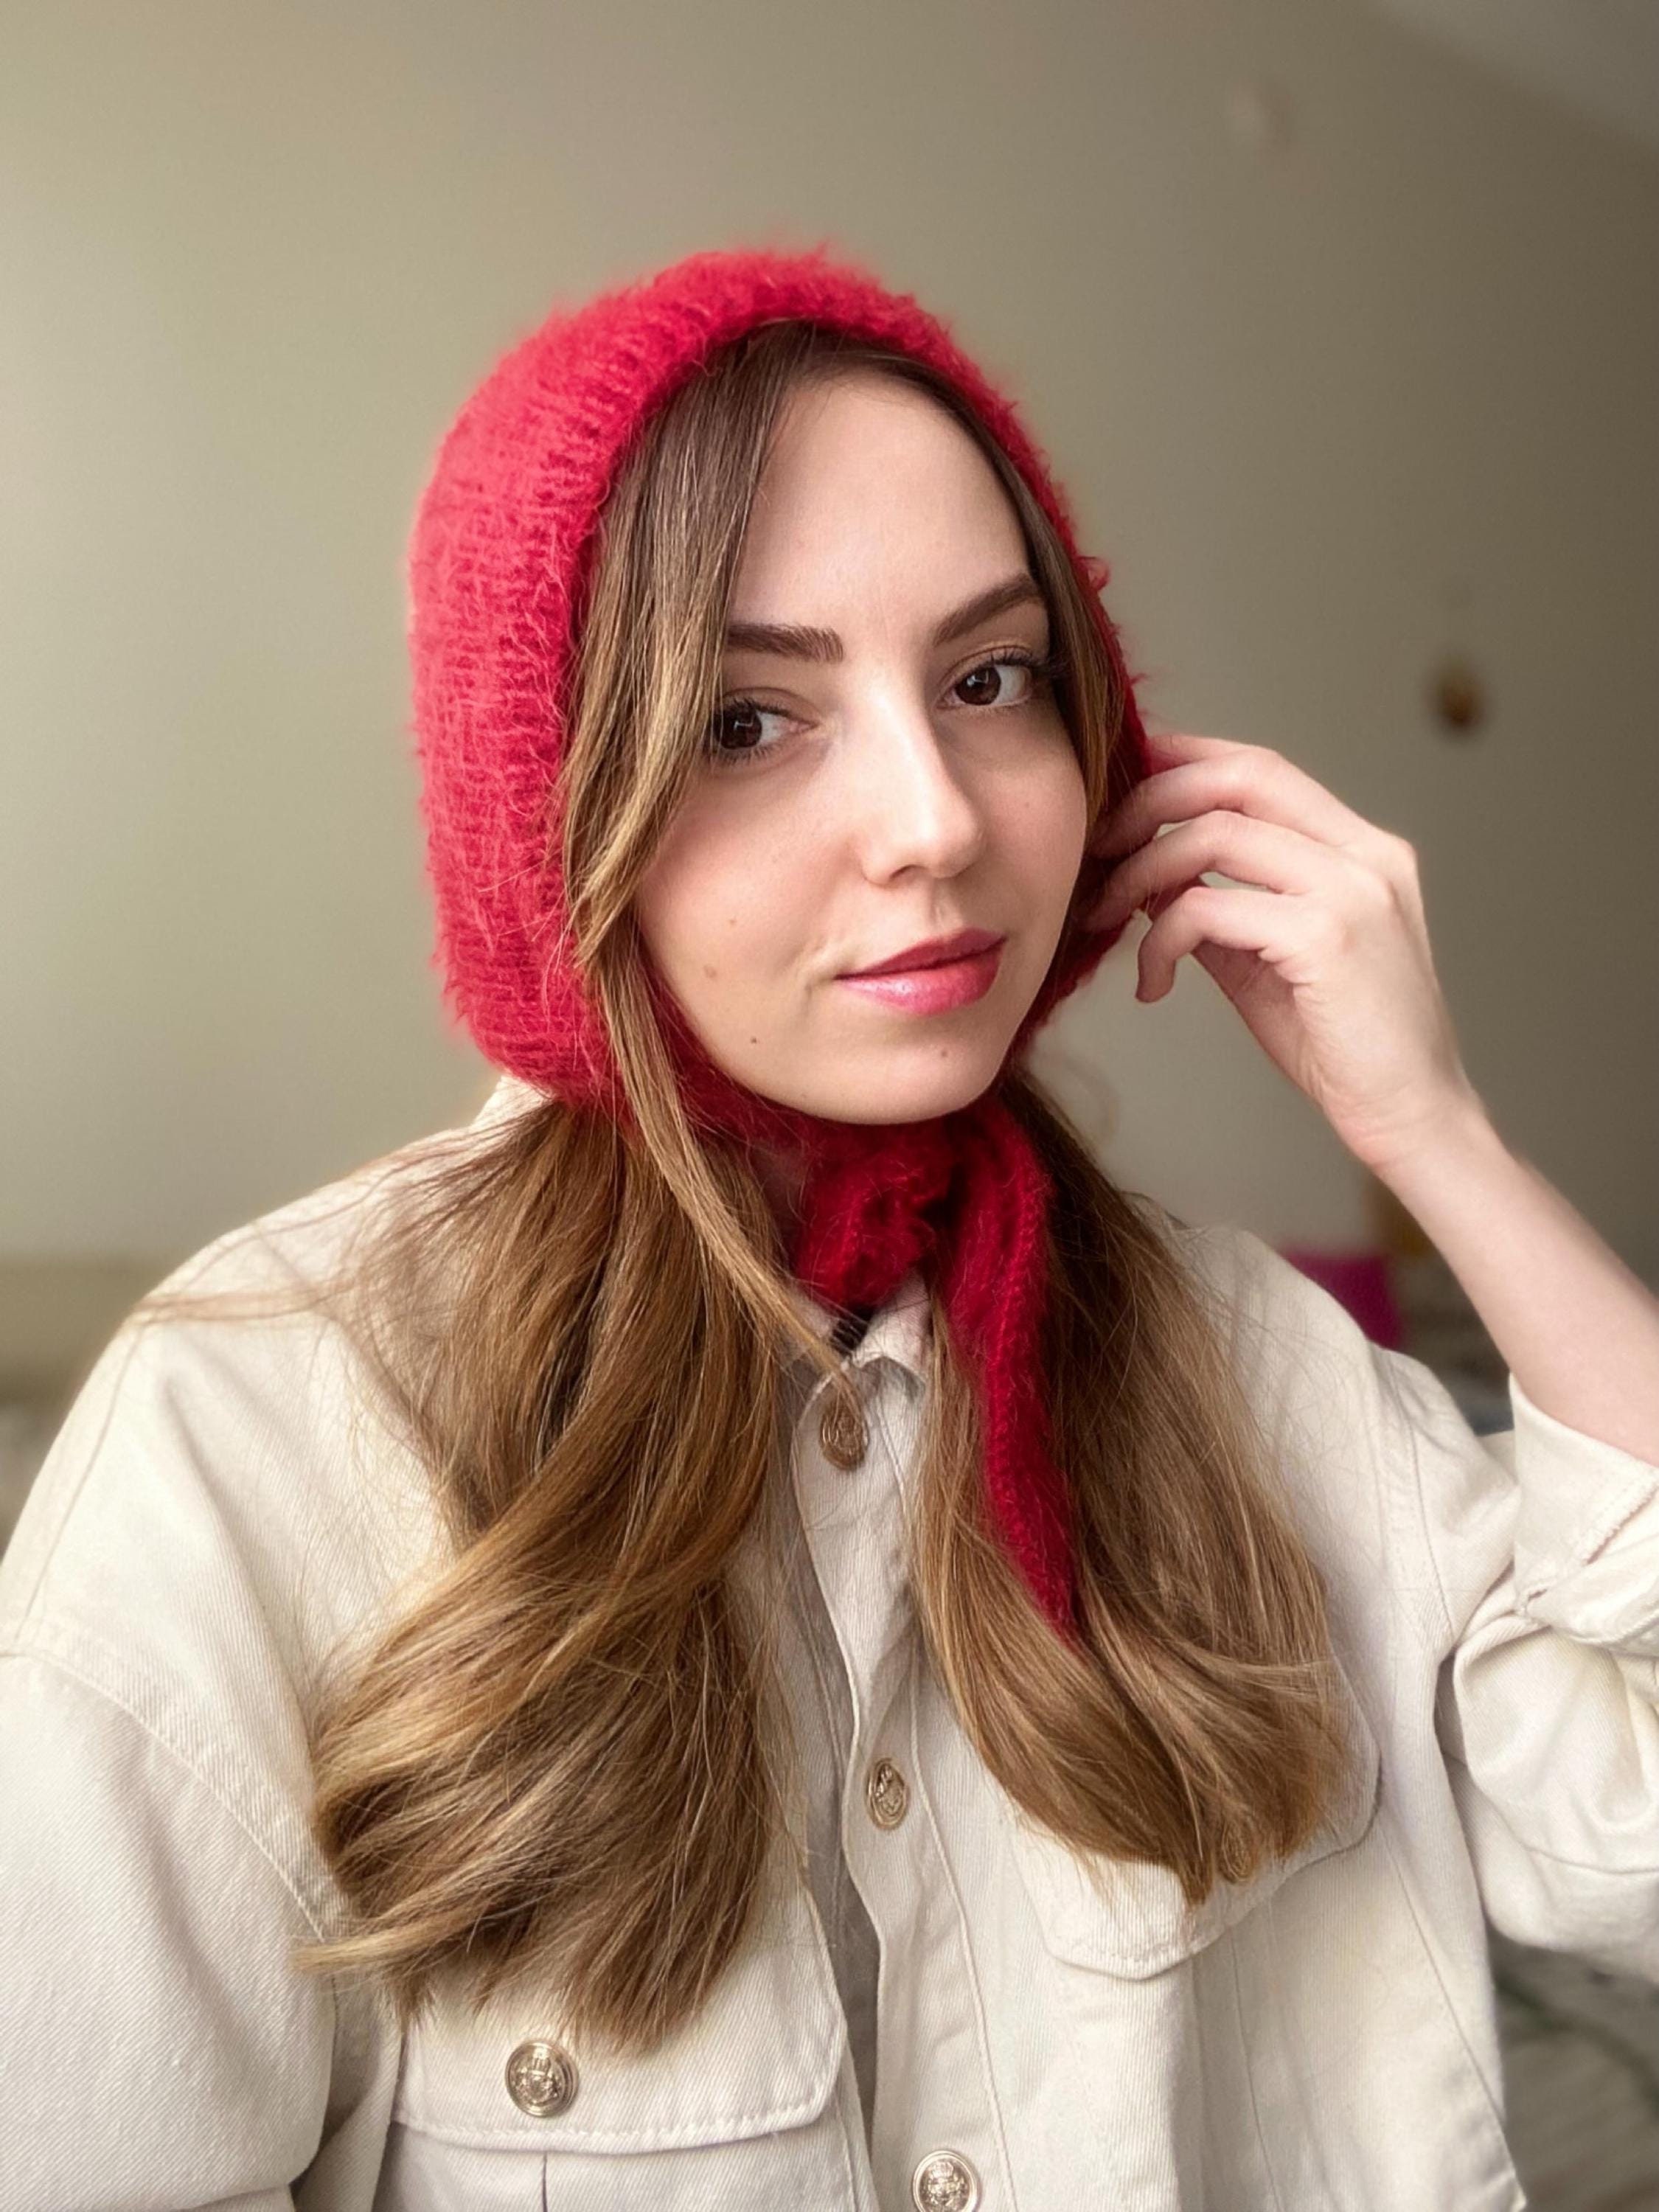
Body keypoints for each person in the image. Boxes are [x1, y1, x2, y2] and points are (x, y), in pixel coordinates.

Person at [1, 241, 1657, 2212]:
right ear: (547, 812)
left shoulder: (1246, 1367)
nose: (937, 818)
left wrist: (1437, 1134)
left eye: (989, 679)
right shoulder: (270, 1420)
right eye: (741, 720)